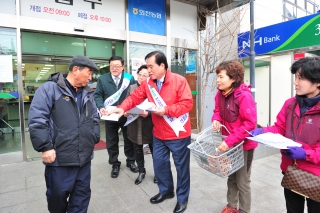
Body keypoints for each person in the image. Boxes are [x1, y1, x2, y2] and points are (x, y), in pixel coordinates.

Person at [107, 51, 193, 213]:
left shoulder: (179, 81)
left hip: (178, 134)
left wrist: (166, 110)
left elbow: (187, 104)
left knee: (182, 169)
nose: (149, 70)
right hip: (159, 134)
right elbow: (134, 98)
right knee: (160, 165)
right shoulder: (148, 83)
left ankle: (182, 199)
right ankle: (166, 191)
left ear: (162, 65)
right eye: (147, 66)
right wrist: (121, 108)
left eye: (151, 66)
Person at [28, 55, 100, 213]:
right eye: (89, 72)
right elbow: (37, 119)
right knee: (57, 197)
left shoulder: (88, 93)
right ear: (75, 70)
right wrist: (45, 147)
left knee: (81, 197)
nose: (90, 77)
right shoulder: (49, 89)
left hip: (84, 158)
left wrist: (94, 136)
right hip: (60, 159)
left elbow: (94, 117)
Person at [250, 57, 320, 213]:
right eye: (295, 77)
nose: (295, 82)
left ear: (318, 82)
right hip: (291, 170)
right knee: (293, 210)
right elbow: (280, 128)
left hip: (316, 175)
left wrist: (305, 154)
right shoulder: (290, 104)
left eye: (301, 78)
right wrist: (262, 132)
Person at [211, 60, 257, 213]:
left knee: (242, 181)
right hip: (229, 144)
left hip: (243, 145)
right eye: (217, 76)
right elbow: (217, 111)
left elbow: (250, 124)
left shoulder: (243, 96)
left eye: (221, 77)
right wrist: (216, 119)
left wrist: (229, 141)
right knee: (231, 177)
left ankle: (244, 210)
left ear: (233, 78)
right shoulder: (220, 94)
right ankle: (231, 206)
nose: (217, 80)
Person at [94, 56, 138, 178]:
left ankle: (131, 161)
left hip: (125, 114)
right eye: (112, 65)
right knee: (111, 140)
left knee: (129, 139)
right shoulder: (103, 79)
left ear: (122, 67)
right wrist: (101, 107)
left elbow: (134, 96)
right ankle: (115, 163)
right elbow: (97, 95)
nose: (114, 68)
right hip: (110, 115)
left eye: (117, 66)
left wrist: (130, 109)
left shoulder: (129, 78)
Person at [125, 64, 157, 185]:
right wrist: (126, 112)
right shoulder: (132, 87)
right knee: (137, 150)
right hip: (134, 124)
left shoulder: (153, 89)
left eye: (145, 75)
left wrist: (148, 113)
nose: (141, 77)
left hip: (149, 124)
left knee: (155, 150)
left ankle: (157, 173)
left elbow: (158, 107)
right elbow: (127, 103)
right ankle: (141, 172)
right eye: (139, 74)